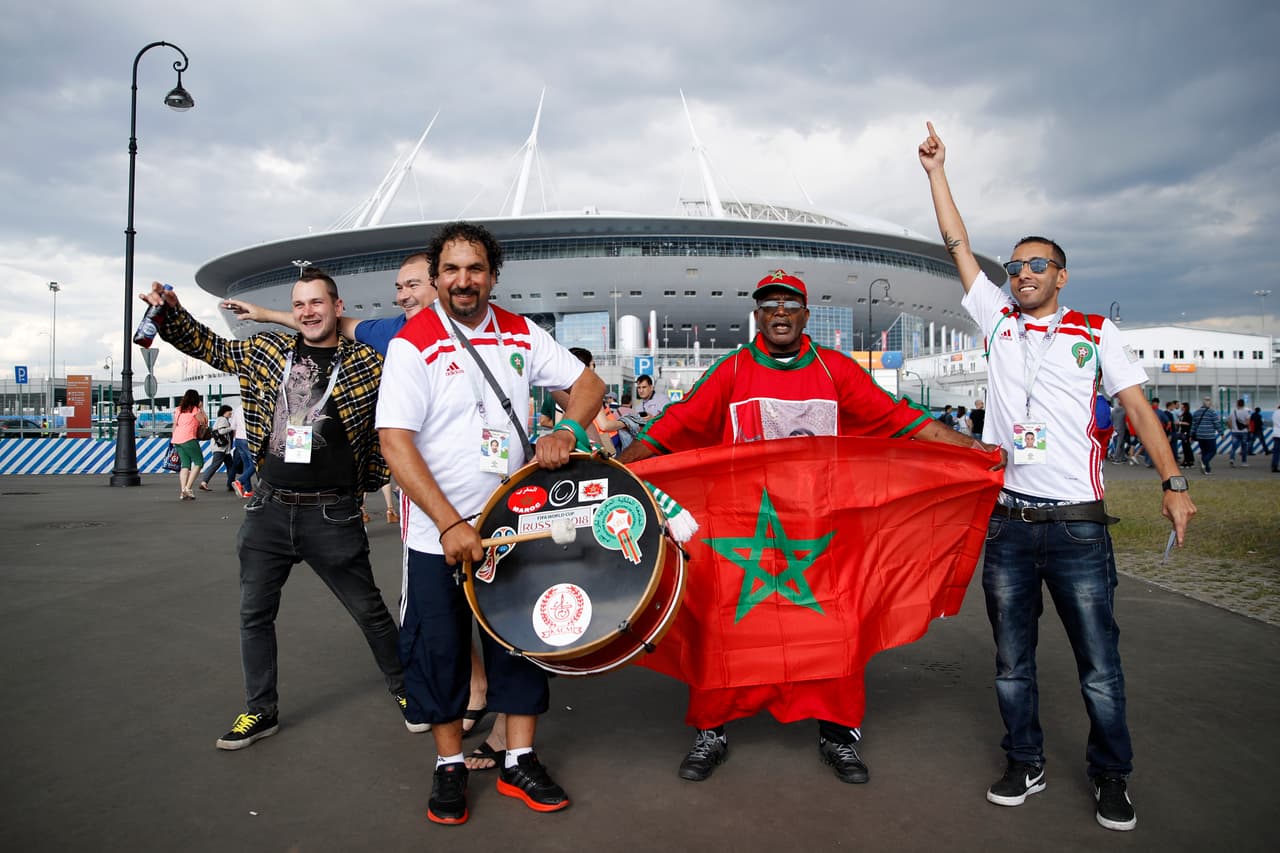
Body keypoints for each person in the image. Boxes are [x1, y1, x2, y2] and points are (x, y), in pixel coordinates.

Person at [616, 269, 997, 786]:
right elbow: (674, 427)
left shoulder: (836, 369)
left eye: (788, 304)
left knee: (833, 631)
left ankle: (838, 733)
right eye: (768, 304)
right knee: (726, 628)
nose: (778, 312)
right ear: (757, 316)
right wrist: (621, 467)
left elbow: (898, 419)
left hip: (823, 531)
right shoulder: (730, 371)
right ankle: (712, 730)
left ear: (804, 315)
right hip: (742, 532)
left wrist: (967, 449)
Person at [920, 121, 1194, 832]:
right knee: (1012, 661)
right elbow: (956, 243)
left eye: (1036, 264)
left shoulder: (1096, 330)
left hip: (1077, 524)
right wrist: (936, 174)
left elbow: (1136, 407)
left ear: (1062, 274)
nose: (1023, 274)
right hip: (1008, 523)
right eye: (1015, 265)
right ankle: (1025, 759)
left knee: (1099, 666)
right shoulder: (998, 320)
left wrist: (1173, 483)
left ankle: (1111, 774)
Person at [376, 221, 605, 825]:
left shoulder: (520, 333)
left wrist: (567, 430)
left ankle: (519, 758)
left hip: (514, 527)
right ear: (435, 277)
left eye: (474, 269)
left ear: (493, 275)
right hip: (436, 535)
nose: (463, 280)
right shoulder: (413, 343)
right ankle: (449, 765)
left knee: (520, 644)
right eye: (450, 270)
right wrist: (450, 524)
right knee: (441, 651)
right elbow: (395, 444)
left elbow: (588, 384)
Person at [140, 268, 411, 750]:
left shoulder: (370, 359)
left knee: (369, 610)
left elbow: (417, 356)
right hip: (268, 507)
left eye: (317, 303)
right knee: (254, 615)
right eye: (300, 304)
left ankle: (408, 690)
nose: (309, 312)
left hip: (333, 512)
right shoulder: (266, 352)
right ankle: (260, 711)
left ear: (336, 306)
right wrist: (171, 314)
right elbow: (208, 346)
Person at [171, 389, 209, 500]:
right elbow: (205, 421)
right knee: (199, 462)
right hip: (188, 438)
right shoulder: (195, 410)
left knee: (185, 465)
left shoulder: (178, 410)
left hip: (177, 439)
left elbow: (174, 425)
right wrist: (201, 408)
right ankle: (188, 488)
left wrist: (174, 438)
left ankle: (183, 491)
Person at [197, 404, 236, 491]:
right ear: (225, 412)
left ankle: (231, 484)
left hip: (223, 449)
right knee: (215, 465)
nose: (231, 413)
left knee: (231, 466)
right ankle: (204, 482)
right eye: (229, 411)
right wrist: (231, 428)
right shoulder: (223, 420)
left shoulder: (220, 419)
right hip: (221, 448)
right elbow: (221, 431)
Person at [228, 400, 255, 498]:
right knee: (256, 464)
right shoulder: (254, 407)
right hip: (250, 439)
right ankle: (240, 481)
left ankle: (248, 490)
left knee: (246, 464)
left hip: (239, 439)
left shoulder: (238, 409)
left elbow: (232, 426)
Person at [1190, 397, 1222, 474]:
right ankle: (1204, 461)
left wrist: (1191, 435)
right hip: (1209, 435)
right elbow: (1217, 424)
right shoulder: (1212, 412)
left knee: (1204, 452)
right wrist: (1221, 433)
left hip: (1200, 435)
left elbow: (1193, 425)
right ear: (1209, 403)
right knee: (1212, 451)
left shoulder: (1196, 412)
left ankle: (1207, 470)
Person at [1227, 399, 1251, 467]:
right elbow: (1248, 422)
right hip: (1244, 432)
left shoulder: (1233, 412)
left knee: (1234, 447)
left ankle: (1232, 459)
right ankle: (1244, 462)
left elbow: (1228, 422)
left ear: (1237, 404)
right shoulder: (1246, 412)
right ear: (1243, 404)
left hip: (1235, 432)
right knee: (1244, 447)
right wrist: (1247, 428)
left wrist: (1232, 428)